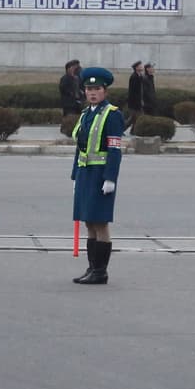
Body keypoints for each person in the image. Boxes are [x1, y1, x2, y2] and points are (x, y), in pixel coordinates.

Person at [71, 66, 124, 285]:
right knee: (89, 222)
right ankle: (92, 267)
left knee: (100, 223)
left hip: (101, 175)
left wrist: (110, 178)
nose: (92, 92)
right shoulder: (85, 114)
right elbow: (80, 148)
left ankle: (101, 271)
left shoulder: (112, 114)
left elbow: (114, 149)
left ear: (105, 91)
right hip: (85, 173)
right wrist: (75, 176)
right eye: (89, 89)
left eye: (97, 89)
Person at [125, 60, 145, 132]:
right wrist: (139, 102)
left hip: (137, 102)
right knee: (134, 118)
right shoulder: (134, 77)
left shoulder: (139, 76)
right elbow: (134, 92)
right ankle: (121, 130)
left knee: (135, 118)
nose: (142, 67)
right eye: (140, 66)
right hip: (134, 102)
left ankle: (133, 131)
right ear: (136, 68)